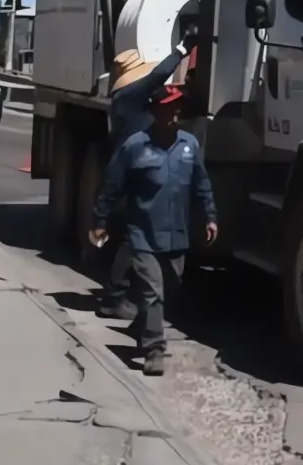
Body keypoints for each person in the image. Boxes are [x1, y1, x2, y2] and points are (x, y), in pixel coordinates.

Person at [90, 84, 217, 376]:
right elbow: (110, 189)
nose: (175, 113)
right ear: (155, 111)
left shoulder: (189, 145)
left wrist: (210, 216)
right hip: (142, 234)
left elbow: (202, 184)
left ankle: (142, 326)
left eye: (178, 107)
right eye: (168, 107)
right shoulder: (134, 146)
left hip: (176, 235)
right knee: (152, 292)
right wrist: (100, 223)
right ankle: (153, 350)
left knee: (169, 290)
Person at [97, 40, 190, 320]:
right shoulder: (128, 95)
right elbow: (158, 76)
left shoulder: (129, 99)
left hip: (134, 170)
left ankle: (120, 293)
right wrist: (181, 51)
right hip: (130, 172)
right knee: (131, 236)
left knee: (133, 234)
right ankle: (114, 296)